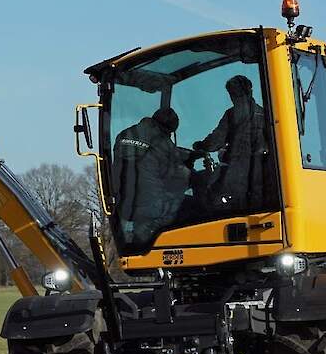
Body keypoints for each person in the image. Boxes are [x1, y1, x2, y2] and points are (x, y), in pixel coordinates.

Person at [112, 107, 194, 245]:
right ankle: (147, 235)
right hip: (152, 207)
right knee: (191, 205)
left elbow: (148, 157)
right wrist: (192, 173)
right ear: (169, 129)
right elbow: (175, 174)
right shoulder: (163, 142)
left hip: (123, 205)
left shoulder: (125, 135)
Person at [192, 74, 269, 211]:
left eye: (235, 94)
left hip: (237, 170)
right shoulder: (265, 115)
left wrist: (201, 145)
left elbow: (216, 140)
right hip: (261, 171)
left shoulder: (232, 115)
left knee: (207, 192)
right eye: (232, 94)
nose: (234, 98)